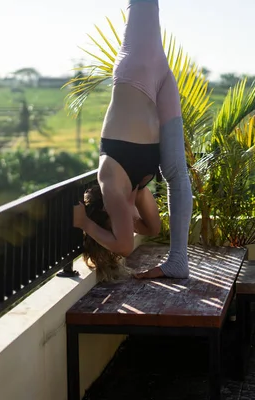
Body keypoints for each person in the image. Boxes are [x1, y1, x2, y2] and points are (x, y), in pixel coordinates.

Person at [73, 0, 193, 280]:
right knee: (177, 173)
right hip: (161, 79)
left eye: (121, 221)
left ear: (107, 212)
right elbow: (152, 228)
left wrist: (85, 225)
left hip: (134, 73)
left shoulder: (111, 187)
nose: (127, 220)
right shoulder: (135, 191)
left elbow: (124, 246)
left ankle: (178, 262)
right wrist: (131, 221)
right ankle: (178, 262)